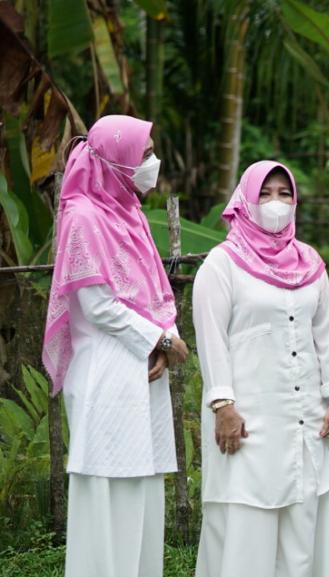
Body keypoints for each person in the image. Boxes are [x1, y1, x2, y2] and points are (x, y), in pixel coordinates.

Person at [43, 115, 188, 577]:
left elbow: (151, 294)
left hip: (143, 369)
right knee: (107, 492)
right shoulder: (83, 215)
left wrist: (162, 342)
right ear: (116, 160)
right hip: (106, 372)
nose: (151, 163)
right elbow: (98, 304)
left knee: (142, 489)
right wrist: (161, 338)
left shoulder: (129, 213)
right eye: (143, 155)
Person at [192, 160, 329, 577]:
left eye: (284, 194)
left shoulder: (310, 262)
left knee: (302, 520)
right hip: (248, 422)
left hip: (305, 421)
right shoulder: (221, 265)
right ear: (245, 199)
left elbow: (325, 335)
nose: (275, 203)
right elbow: (211, 340)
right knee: (248, 518)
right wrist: (223, 405)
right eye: (265, 193)